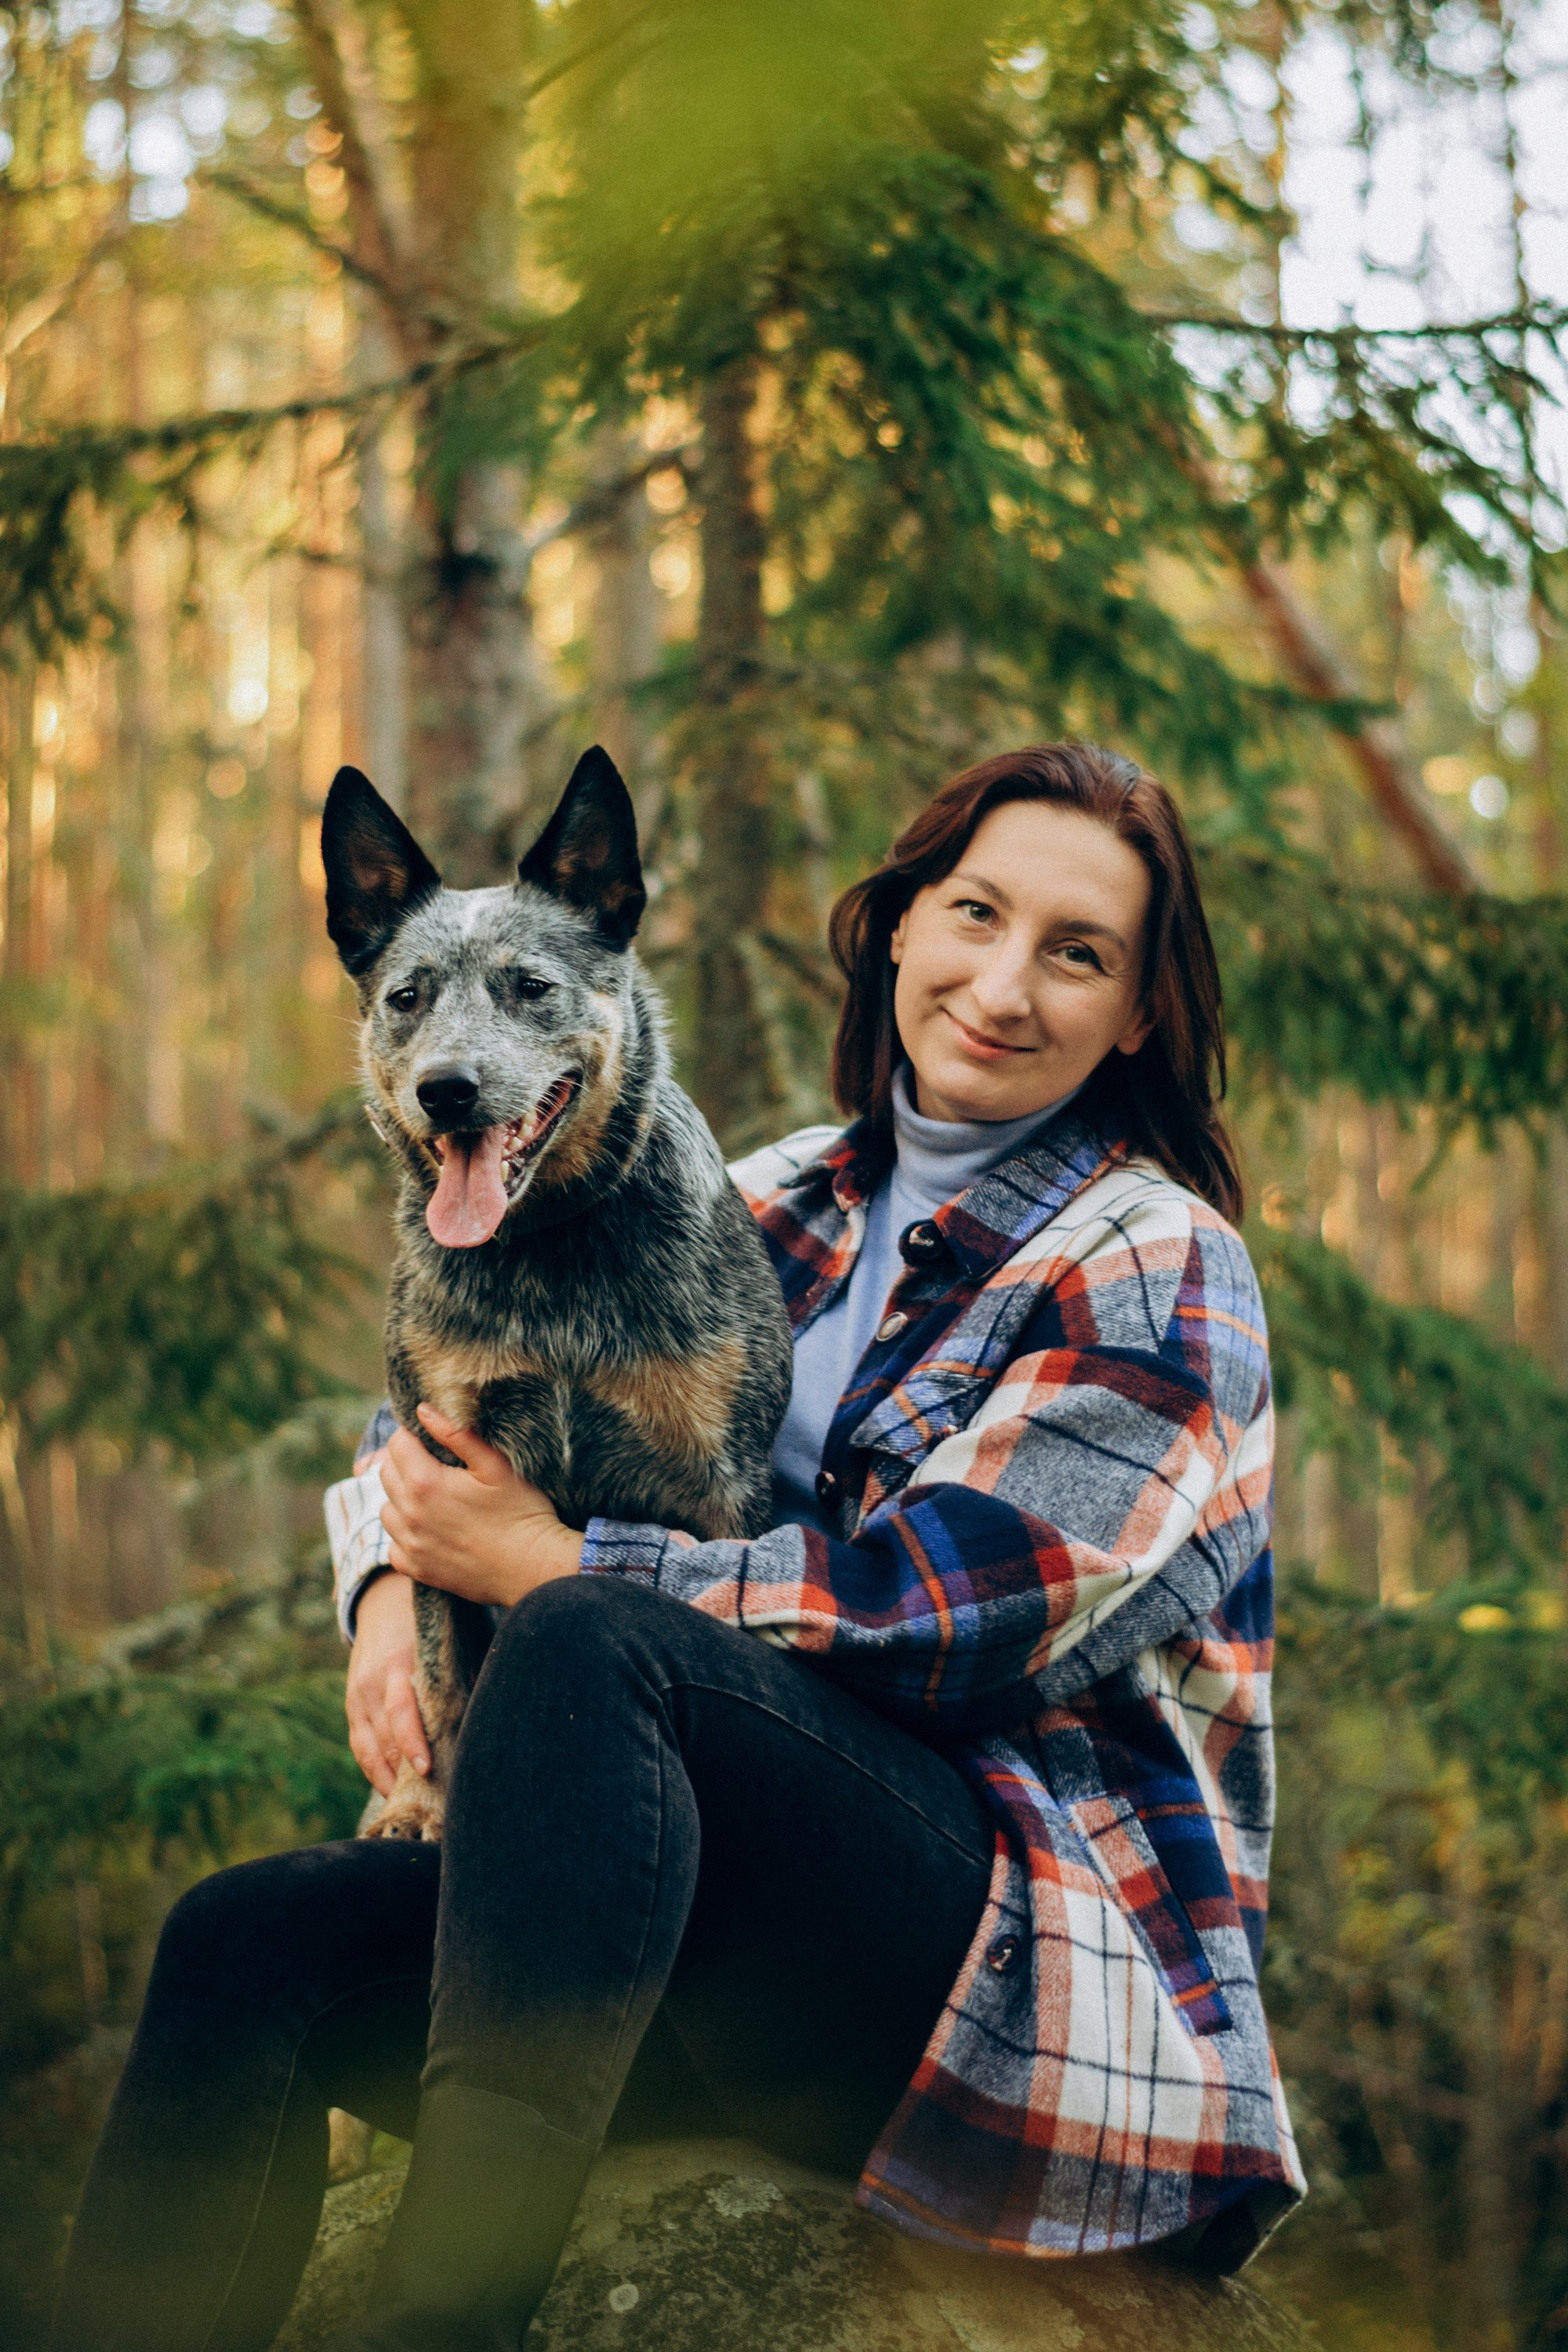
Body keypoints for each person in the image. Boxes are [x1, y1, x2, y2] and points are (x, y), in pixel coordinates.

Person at [50, 743, 1304, 2352]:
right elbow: (443, 1425)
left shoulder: (1156, 1258)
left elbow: (946, 1622)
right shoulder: (763, 1194)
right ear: (900, 930)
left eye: (1076, 953)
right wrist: (383, 1583)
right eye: (972, 915)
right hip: (685, 1935)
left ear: (1137, 1011)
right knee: (242, 1943)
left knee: (591, 1623)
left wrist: (542, 1568)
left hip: (1000, 1966)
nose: (1001, 983)